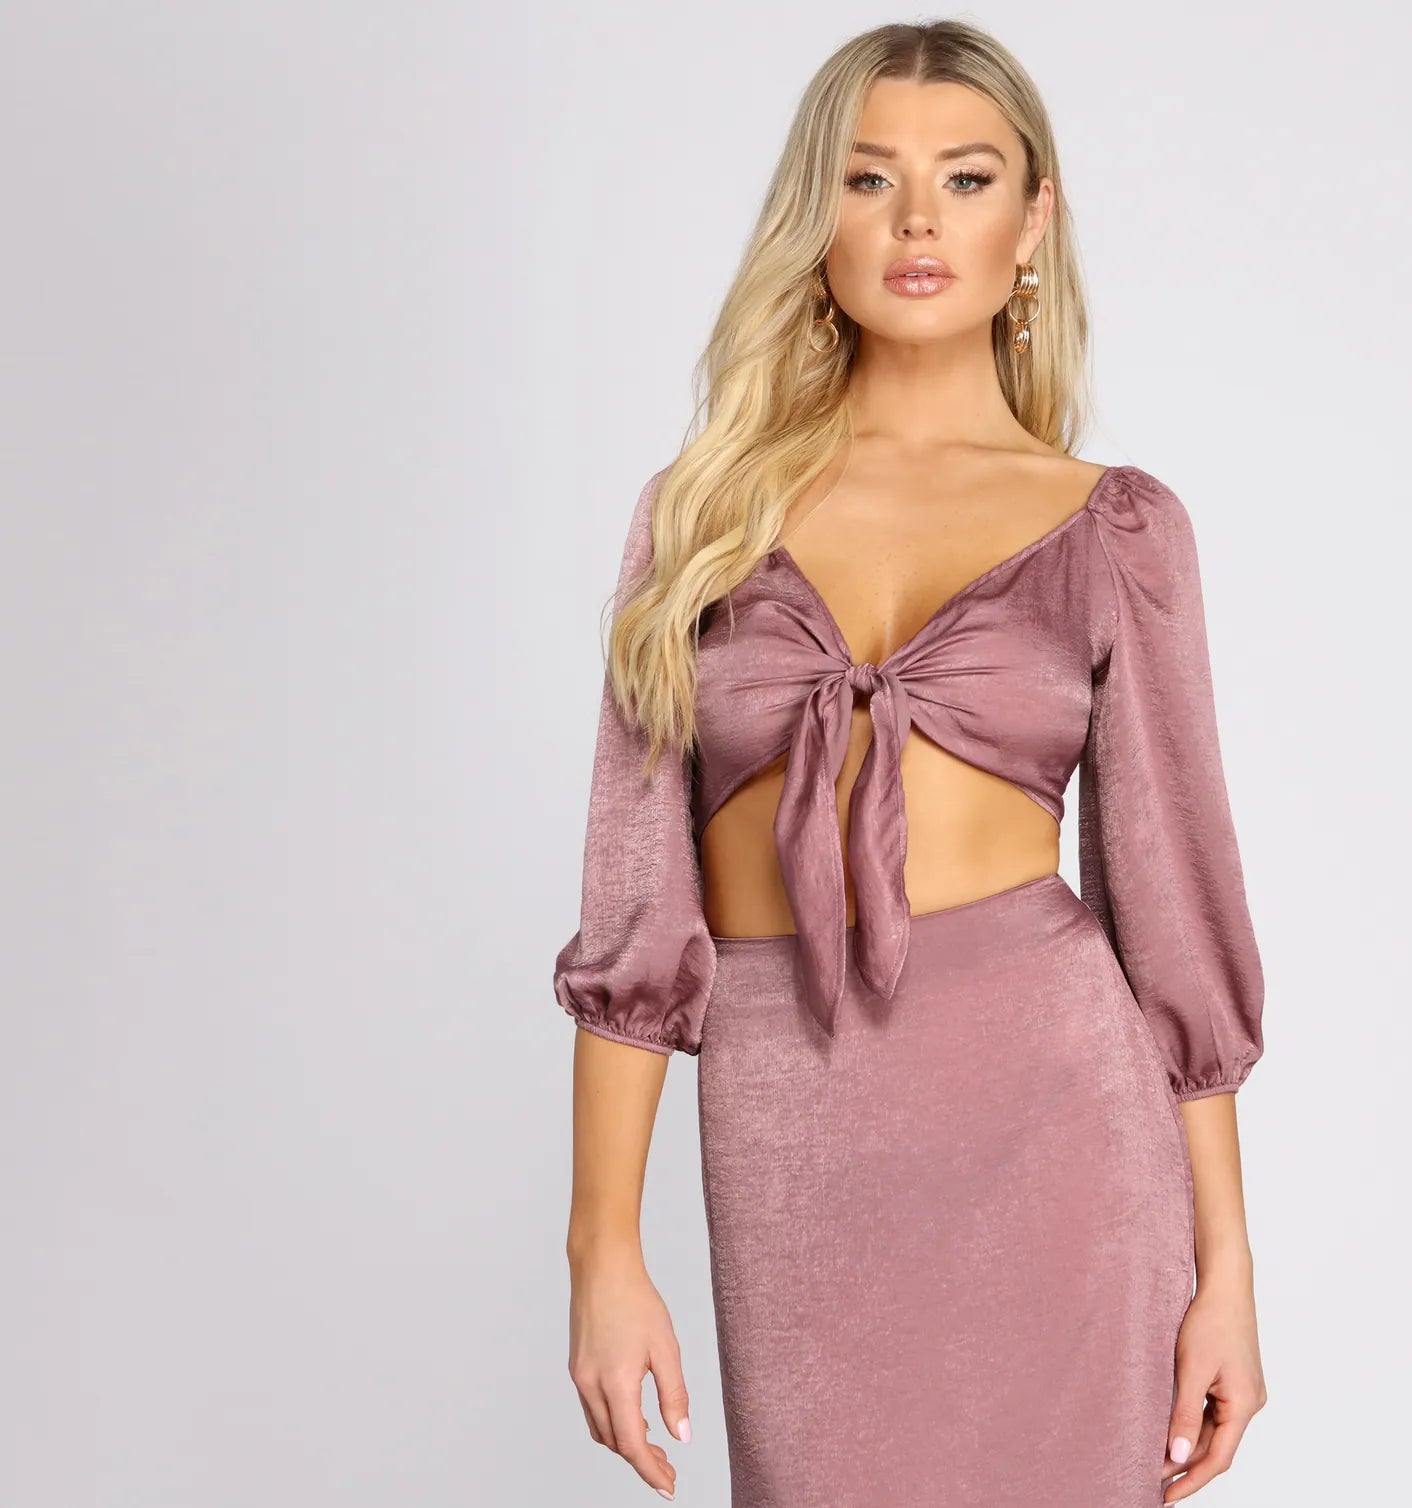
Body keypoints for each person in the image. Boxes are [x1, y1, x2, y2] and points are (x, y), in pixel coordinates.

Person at [553, 19, 1268, 1507]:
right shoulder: (698, 522)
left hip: (1057, 1128)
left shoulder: (1116, 529)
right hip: (795, 1133)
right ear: (816, 215)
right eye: (871, 179)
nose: (920, 221)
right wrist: (602, 1254)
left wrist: (1226, 1275)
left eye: (967, 178)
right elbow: (636, 922)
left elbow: (1174, 921)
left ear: (1034, 220)